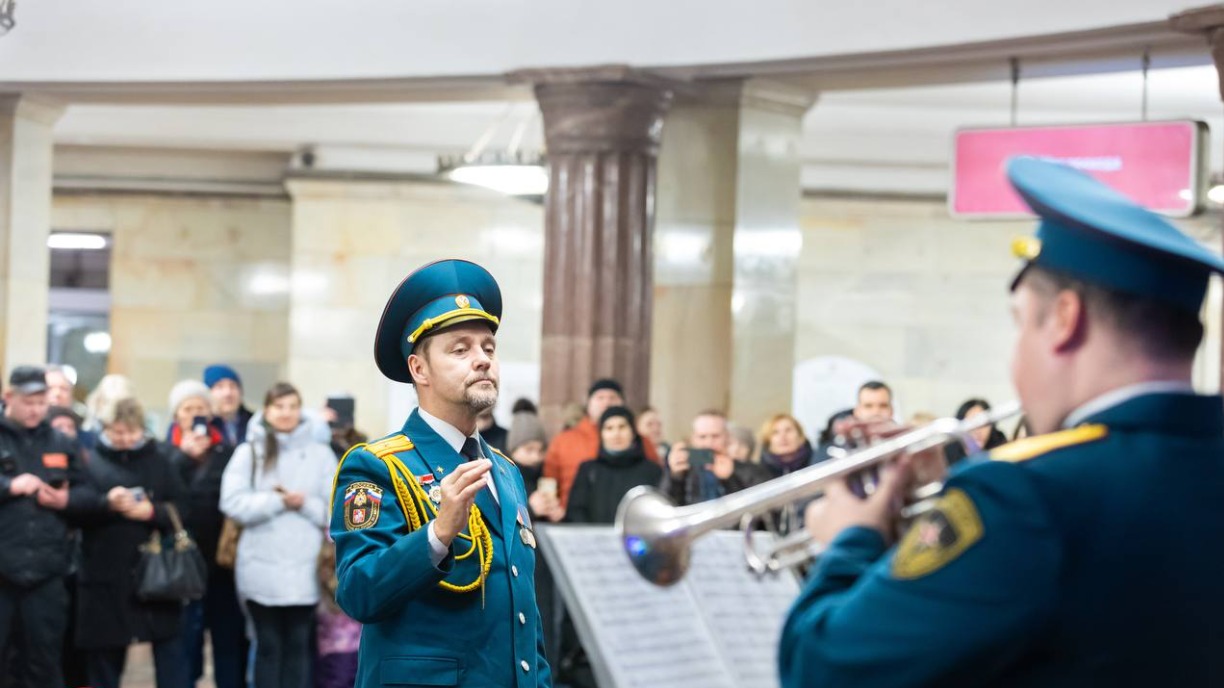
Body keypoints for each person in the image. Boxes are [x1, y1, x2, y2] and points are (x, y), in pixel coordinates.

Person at [779, 158, 1224, 686]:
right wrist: (946, 493)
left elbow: (824, 668)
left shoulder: (1021, 496)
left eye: (1021, 324)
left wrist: (848, 540)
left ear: (1065, 320)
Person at [330, 259, 551, 688]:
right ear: (419, 369)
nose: (482, 360)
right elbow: (357, 592)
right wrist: (438, 534)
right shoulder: (378, 466)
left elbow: (523, 612)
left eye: (488, 348)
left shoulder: (506, 471)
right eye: (460, 350)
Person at [221, 382, 336, 688]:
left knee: (299, 644)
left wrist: (304, 504)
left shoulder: (321, 454)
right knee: (268, 645)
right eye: (279, 406)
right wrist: (276, 502)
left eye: (292, 406)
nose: (286, 413)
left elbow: (336, 510)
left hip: (305, 566)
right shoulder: (249, 452)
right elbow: (231, 502)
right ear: (267, 410)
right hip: (260, 564)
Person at [74, 397, 189, 688]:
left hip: (156, 574)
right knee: (104, 663)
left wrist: (152, 512)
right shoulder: (90, 461)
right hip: (104, 574)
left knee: (171, 657)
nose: (125, 439)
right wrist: (106, 503)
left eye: (131, 432)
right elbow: (74, 506)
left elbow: (184, 509)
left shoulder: (160, 460)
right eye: (117, 432)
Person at [0, 367, 95, 687]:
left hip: (47, 574)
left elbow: (90, 495)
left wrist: (66, 500)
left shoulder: (61, 442)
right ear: (8, 397)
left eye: (41, 402)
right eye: (28, 402)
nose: (35, 409)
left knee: (43, 662)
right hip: (2, 572)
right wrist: (9, 486)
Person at [164, 380, 248, 688]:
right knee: (184, 642)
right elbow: (163, 493)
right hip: (182, 562)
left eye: (200, 408)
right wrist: (183, 456)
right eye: (187, 408)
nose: (194, 413)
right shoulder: (166, 453)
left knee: (228, 641)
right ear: (177, 415)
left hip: (222, 563)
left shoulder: (228, 452)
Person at [542, 379, 658, 511]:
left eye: (612, 398)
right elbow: (549, 480)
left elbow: (654, 478)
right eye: (600, 398)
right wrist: (552, 509)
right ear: (589, 403)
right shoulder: (563, 440)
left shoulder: (642, 442)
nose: (606, 402)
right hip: (572, 515)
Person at [565, 407, 663, 525]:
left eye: (622, 427)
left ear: (633, 432)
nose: (616, 434)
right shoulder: (588, 471)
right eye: (609, 428)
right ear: (601, 434)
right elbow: (575, 512)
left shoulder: (651, 471)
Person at [661, 409, 770, 506]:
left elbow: (761, 509)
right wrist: (675, 478)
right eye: (702, 437)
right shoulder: (684, 470)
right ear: (693, 439)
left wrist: (729, 479)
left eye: (715, 436)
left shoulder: (750, 471)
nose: (709, 443)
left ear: (727, 438)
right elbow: (665, 508)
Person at [943, 398, 1010, 466]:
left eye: (984, 424)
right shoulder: (948, 452)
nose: (978, 431)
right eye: (971, 425)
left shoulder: (1000, 442)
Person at [206, 365, 254, 447]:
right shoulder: (204, 426)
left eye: (233, 386)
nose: (228, 393)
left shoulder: (254, 422)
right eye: (220, 387)